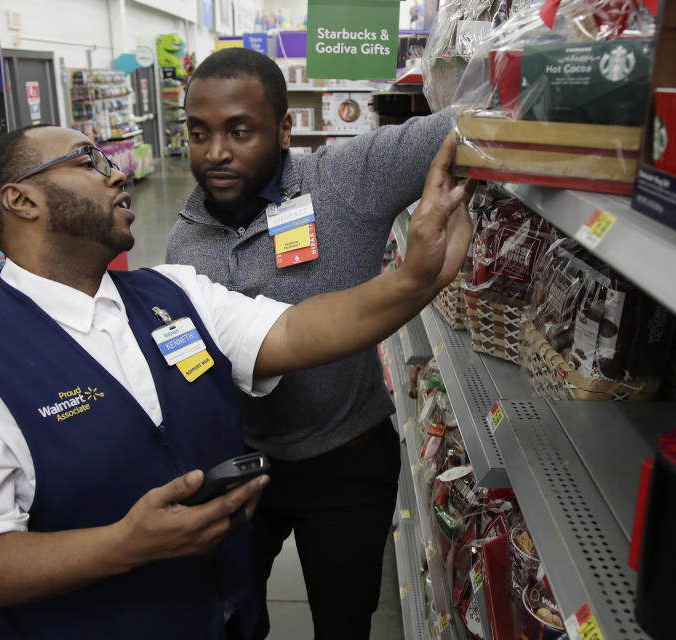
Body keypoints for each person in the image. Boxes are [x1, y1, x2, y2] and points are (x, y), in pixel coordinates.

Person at [0, 124, 472, 640]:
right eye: (89, 161)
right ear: (22, 201)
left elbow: (295, 332)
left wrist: (414, 280)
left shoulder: (174, 292)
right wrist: (123, 545)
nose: (117, 173)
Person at [166, 47, 458, 638]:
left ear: (284, 128)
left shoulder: (346, 179)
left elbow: (464, 125)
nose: (216, 152)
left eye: (239, 130)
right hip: (237, 465)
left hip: (347, 462)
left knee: (344, 620)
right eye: (199, 133)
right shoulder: (183, 241)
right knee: (233, 618)